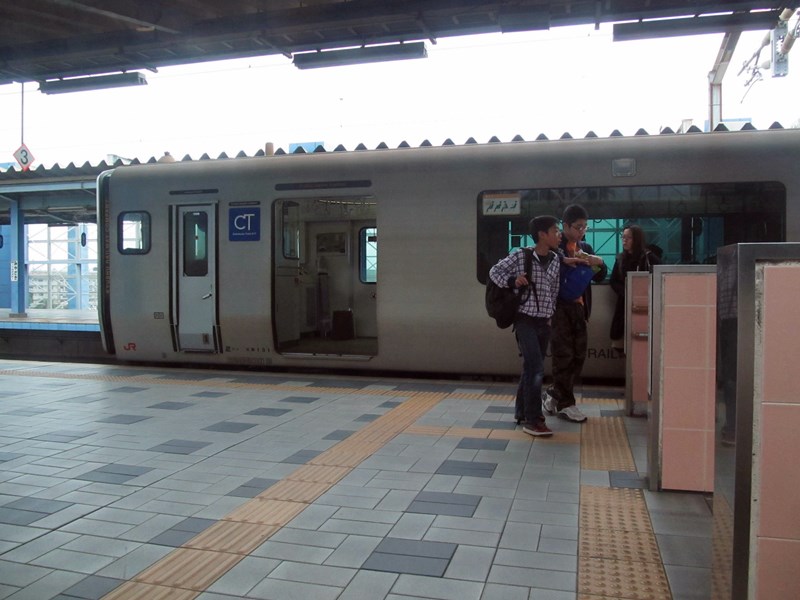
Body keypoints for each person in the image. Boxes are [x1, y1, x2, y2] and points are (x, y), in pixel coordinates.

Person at [489, 215, 562, 437]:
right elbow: (494, 272)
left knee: (530, 368)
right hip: (524, 319)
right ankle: (533, 420)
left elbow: (554, 290)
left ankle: (521, 412)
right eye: (555, 231)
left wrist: (550, 315)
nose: (558, 235)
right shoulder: (522, 255)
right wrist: (512, 281)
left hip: (544, 321)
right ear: (542, 234)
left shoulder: (555, 259)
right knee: (536, 369)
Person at [543, 205, 608, 423]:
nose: (582, 231)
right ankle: (566, 404)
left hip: (579, 309)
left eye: (585, 227)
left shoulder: (585, 247)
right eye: (578, 227)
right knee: (564, 356)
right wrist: (568, 262)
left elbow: (599, 276)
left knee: (579, 356)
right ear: (565, 226)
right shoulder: (555, 247)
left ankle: (554, 393)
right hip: (559, 308)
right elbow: (547, 272)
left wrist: (599, 263)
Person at [609, 224, 660, 353]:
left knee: (642, 343)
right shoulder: (620, 259)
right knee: (621, 342)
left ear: (637, 239)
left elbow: (660, 276)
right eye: (623, 237)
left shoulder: (648, 258)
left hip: (645, 304)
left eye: (628, 238)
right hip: (624, 304)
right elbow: (613, 280)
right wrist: (626, 292)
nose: (624, 240)